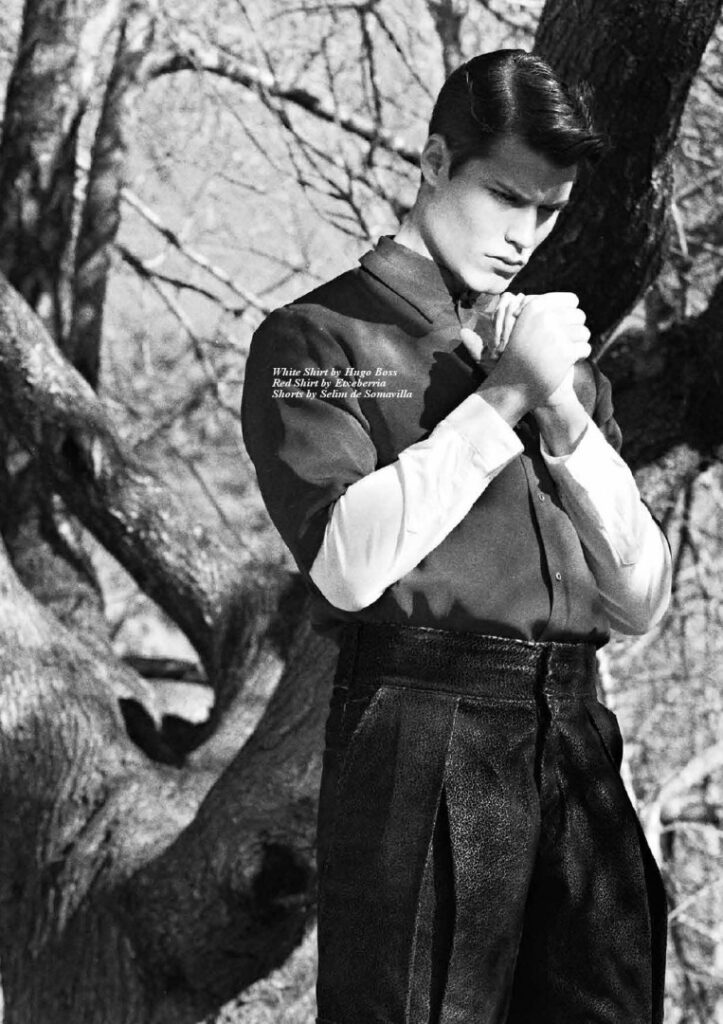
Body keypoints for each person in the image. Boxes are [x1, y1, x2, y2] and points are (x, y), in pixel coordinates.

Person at [241, 49, 671, 1024]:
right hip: (422, 722)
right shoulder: (317, 339)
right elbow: (346, 568)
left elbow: (638, 600)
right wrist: (505, 396)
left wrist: (557, 407)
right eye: (505, 197)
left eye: (549, 212)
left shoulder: (558, 363)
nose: (524, 236)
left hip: (576, 732)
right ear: (435, 163)